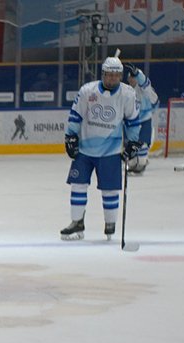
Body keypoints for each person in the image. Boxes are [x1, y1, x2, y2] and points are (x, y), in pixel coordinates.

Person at [60, 56, 139, 241]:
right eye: (109, 75)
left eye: (116, 75)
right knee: (78, 185)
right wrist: (70, 136)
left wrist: (133, 143)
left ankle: (110, 224)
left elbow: (132, 121)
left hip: (110, 152)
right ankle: (77, 222)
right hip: (84, 149)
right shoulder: (88, 90)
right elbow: (76, 115)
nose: (113, 79)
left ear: (120, 76)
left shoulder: (127, 94)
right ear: (103, 74)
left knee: (110, 190)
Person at [122, 63, 158, 174]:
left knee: (142, 148)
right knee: (130, 149)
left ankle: (142, 161)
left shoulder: (144, 89)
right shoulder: (125, 89)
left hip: (144, 121)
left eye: (134, 77)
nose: (132, 79)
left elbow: (146, 85)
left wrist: (138, 74)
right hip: (130, 122)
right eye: (131, 77)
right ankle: (133, 162)